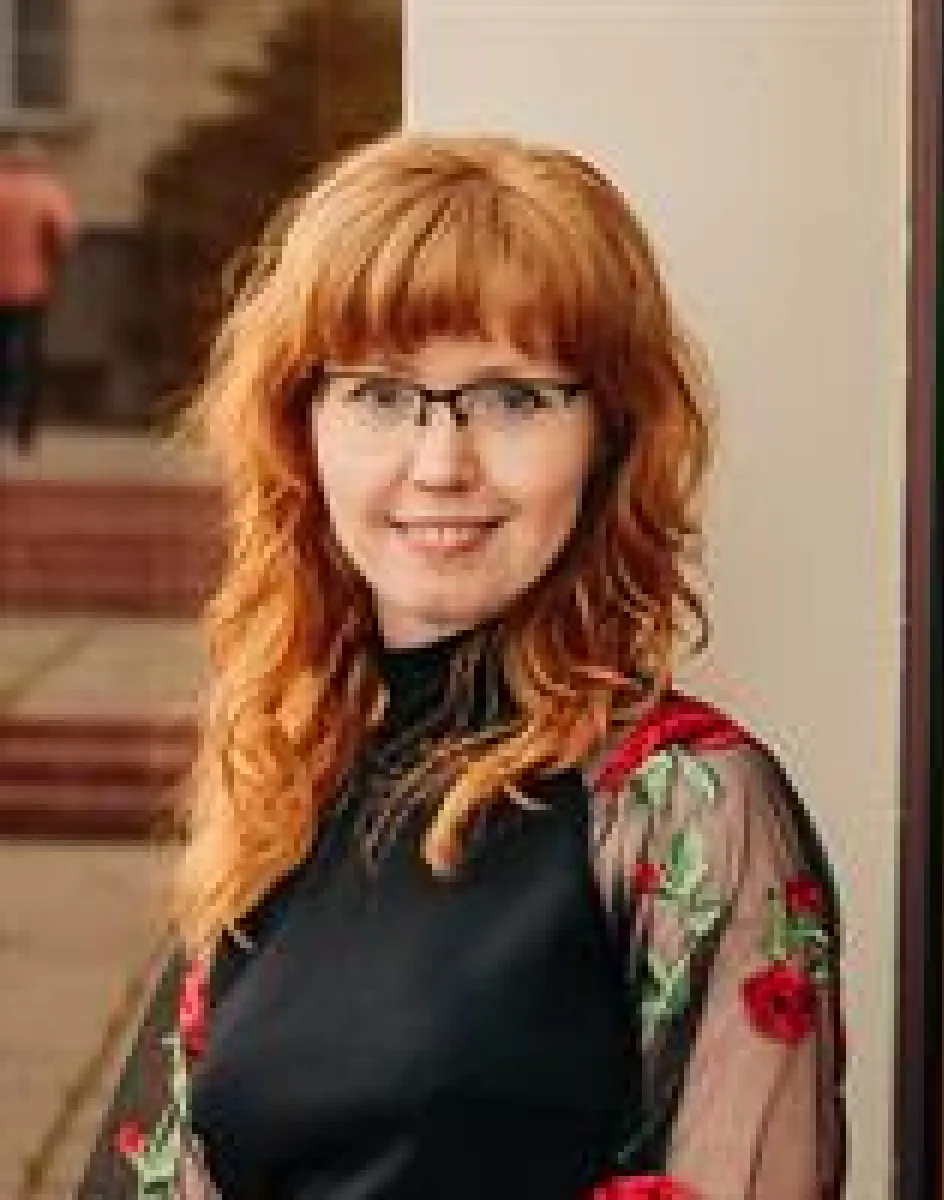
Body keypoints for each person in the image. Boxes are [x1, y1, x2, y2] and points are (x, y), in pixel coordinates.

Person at [81, 131, 845, 1199]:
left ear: (609, 436)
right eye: (380, 394)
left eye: (513, 397)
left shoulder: (689, 809)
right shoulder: (291, 766)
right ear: (301, 431)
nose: (441, 464)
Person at [0, 136, 76, 455]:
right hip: (31, 286)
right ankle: (25, 431)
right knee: (29, 357)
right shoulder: (48, 192)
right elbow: (64, 236)